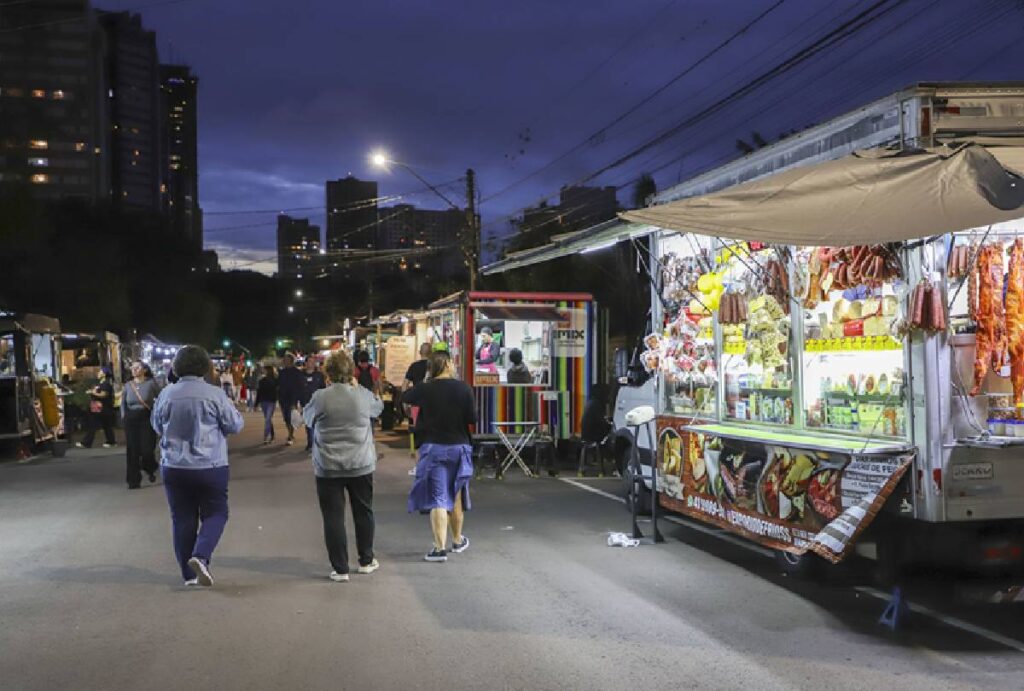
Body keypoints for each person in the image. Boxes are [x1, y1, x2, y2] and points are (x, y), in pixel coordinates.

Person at [152, 345, 244, 587]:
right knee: (216, 513)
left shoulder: (166, 394)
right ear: (205, 367)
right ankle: (201, 555)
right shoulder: (214, 394)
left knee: (182, 518)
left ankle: (189, 575)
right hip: (210, 464)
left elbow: (156, 425)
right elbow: (234, 425)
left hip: (174, 465)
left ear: (176, 367)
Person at [302, 350, 383, 582]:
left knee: (333, 516)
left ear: (328, 372)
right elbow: (378, 408)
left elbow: (306, 420)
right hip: (361, 463)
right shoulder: (363, 395)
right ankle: (366, 560)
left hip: (328, 466)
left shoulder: (320, 397)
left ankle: (340, 569)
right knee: (363, 511)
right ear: (351, 372)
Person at [406, 348, 476, 562]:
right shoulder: (463, 389)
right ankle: (456, 540)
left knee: (438, 497)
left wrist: (426, 381)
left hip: (433, 448)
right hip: (459, 447)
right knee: (455, 495)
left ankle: (439, 548)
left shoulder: (426, 389)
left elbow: (406, 396)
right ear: (447, 365)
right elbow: (471, 418)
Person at [121, 362, 160, 489]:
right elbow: (123, 403)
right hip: (131, 418)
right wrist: (123, 417)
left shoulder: (151, 384)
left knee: (147, 449)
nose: (134, 370)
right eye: (132, 368)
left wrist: (158, 414)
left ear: (144, 370)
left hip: (146, 417)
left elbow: (160, 399)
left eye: (137, 367)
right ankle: (133, 480)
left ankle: (150, 466)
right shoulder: (128, 385)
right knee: (132, 450)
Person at [77, 367, 116, 449]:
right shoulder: (100, 384)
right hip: (98, 408)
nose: (98, 373)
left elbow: (103, 395)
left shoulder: (106, 384)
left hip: (102, 408)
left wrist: (93, 392)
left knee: (94, 425)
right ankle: (111, 441)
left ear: (104, 374)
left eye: (100, 372)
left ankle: (86, 443)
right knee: (105, 425)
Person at [277, 353, 305, 445]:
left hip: (292, 398)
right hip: (283, 398)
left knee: (291, 417)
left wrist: (297, 399)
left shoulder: (297, 372)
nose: (285, 361)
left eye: (287, 359)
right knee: (286, 418)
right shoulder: (282, 372)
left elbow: (300, 386)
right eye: (284, 359)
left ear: (291, 361)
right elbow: (278, 385)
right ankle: (290, 433)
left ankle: (290, 435)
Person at [300, 358, 327, 451]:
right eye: (309, 362)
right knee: (308, 423)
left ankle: (316, 442)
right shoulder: (301, 375)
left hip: (317, 402)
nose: (311, 364)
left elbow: (323, 388)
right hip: (306, 403)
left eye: (313, 362)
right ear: (306, 363)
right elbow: (298, 389)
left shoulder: (319, 375)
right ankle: (310, 442)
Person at [255, 364, 278, 444]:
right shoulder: (262, 381)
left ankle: (265, 436)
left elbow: (277, 391)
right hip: (264, 401)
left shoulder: (275, 380)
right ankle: (272, 435)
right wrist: (256, 403)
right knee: (268, 419)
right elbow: (259, 392)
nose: (263, 371)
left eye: (264, 370)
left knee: (268, 418)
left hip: (271, 401)